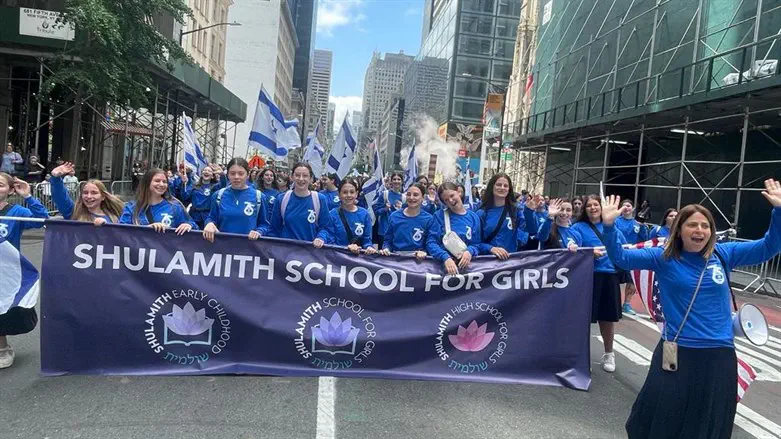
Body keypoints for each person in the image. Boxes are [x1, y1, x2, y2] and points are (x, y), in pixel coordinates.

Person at [600, 179, 781, 439]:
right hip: (677, 352)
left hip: (718, 355)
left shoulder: (723, 254)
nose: (699, 230)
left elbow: (768, 247)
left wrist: (779, 212)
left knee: (707, 423)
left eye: (705, 226)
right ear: (679, 230)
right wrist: (609, 226)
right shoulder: (662, 257)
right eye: (692, 225)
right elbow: (621, 257)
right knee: (663, 420)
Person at [571, 194, 627, 373]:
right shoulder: (577, 227)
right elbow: (571, 250)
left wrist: (630, 278)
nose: (593, 208)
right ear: (584, 209)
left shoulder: (612, 227)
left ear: (601, 208)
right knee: (582, 318)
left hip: (609, 276)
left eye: (596, 205)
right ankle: (579, 355)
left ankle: (609, 353)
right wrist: (588, 252)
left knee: (607, 318)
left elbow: (623, 250)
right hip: (587, 276)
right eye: (589, 206)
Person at [0, 173, 48, 368]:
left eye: (1, 185)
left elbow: (41, 220)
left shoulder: (16, 211)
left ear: (11, 190)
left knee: (2, 308)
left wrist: (28, 196)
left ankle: (3, 348)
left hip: (6, 272)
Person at [202, 158, 270, 242]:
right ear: (228, 175)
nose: (236, 177)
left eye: (241, 174)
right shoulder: (218, 195)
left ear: (248, 175)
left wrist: (259, 232)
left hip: (249, 247)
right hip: (223, 246)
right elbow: (211, 217)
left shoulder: (259, 196)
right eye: (232, 173)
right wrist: (209, 224)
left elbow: (265, 225)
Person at [427, 182, 483, 275]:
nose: (451, 200)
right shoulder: (439, 216)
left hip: (466, 270)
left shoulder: (474, 217)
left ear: (458, 192)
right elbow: (431, 243)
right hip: (443, 269)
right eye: (446, 200)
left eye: (452, 195)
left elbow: (476, 244)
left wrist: (470, 251)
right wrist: (445, 257)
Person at [119, 168, 197, 234]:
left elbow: (194, 228)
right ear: (147, 183)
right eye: (157, 181)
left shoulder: (175, 206)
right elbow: (121, 232)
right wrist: (146, 229)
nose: (161, 184)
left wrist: (189, 225)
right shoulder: (132, 207)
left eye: (164, 182)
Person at [269, 162, 331, 241]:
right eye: (297, 175)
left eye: (305, 176)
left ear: (311, 178)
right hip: (286, 248)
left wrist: (321, 238)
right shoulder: (282, 199)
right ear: (292, 177)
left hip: (311, 248)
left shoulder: (319, 199)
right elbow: (274, 229)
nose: (301, 179)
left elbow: (325, 227)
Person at [50, 162, 124, 225]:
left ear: (103, 197)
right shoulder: (74, 212)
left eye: (94, 193)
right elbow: (60, 198)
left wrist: (106, 224)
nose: (89, 196)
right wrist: (55, 178)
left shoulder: (114, 217)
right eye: (85, 193)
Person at [315, 178, 375, 255]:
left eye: (352, 192)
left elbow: (367, 240)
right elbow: (329, 237)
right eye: (345, 192)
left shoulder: (365, 214)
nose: (348, 195)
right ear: (338, 194)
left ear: (356, 194)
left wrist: (369, 247)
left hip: (358, 259)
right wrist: (320, 239)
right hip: (338, 257)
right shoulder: (332, 215)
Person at [476, 173, 528, 259]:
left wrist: (530, 212)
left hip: (511, 261)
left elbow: (529, 231)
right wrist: (491, 248)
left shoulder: (517, 210)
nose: (502, 188)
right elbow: (475, 243)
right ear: (492, 187)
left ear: (509, 189)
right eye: (499, 185)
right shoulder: (481, 213)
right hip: (487, 262)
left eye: (505, 186)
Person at [379, 182, 432, 261]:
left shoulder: (429, 219)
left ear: (423, 197)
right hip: (396, 260)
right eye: (408, 194)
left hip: (418, 262)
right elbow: (388, 240)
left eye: (415, 195)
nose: (411, 198)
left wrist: (424, 252)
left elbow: (430, 242)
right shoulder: (394, 216)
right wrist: (386, 249)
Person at [614, 199, 649, 315]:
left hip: (632, 255)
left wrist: (642, 227)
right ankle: (613, 301)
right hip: (617, 253)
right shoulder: (616, 221)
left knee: (632, 279)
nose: (626, 208)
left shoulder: (637, 223)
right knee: (614, 279)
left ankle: (627, 304)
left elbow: (644, 239)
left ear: (633, 208)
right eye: (624, 206)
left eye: (628, 206)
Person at [373, 171, 405, 248]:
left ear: (402, 181)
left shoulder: (404, 198)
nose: (396, 181)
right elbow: (376, 211)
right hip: (384, 231)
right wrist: (385, 209)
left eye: (399, 179)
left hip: (397, 231)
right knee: (383, 253)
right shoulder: (384, 194)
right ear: (391, 181)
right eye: (394, 179)